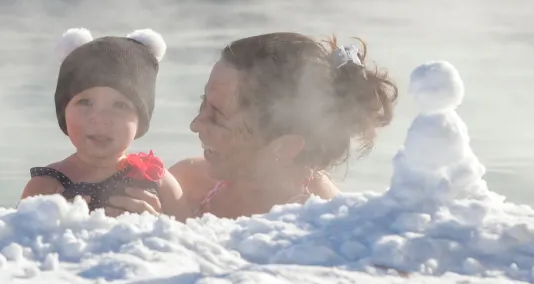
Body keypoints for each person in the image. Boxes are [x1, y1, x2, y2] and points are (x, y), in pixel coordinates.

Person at [107, 32, 397, 219]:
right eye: (202, 102)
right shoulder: (188, 181)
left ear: (283, 146)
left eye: (217, 115)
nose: (196, 124)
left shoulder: (318, 222)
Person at [20, 27, 188, 220]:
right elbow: (16, 241)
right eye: (85, 102)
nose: (100, 117)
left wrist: (159, 222)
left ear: (140, 120)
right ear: (63, 111)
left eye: (120, 105)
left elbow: (190, 239)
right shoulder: (45, 186)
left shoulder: (157, 181)